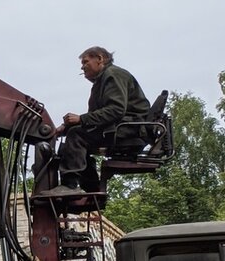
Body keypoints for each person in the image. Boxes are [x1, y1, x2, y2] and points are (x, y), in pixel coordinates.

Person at [44, 46, 151, 196]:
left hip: (130, 128)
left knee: (77, 136)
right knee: (72, 140)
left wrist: (80, 119)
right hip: (123, 126)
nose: (82, 67)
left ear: (100, 59)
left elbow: (116, 110)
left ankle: (70, 185)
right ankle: (91, 189)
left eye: (85, 62)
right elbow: (98, 117)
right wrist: (65, 127)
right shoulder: (102, 81)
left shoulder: (112, 74)